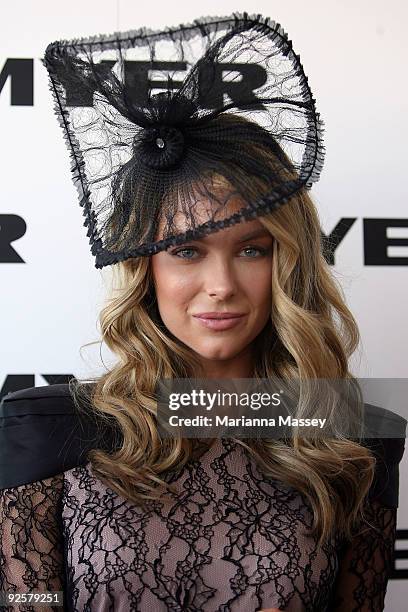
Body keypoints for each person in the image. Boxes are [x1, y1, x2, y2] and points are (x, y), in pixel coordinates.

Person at [0, 12, 406, 612]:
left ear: (287, 263)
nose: (220, 285)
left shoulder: (349, 440)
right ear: (147, 267)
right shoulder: (44, 432)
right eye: (187, 250)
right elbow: (24, 604)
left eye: (251, 249)